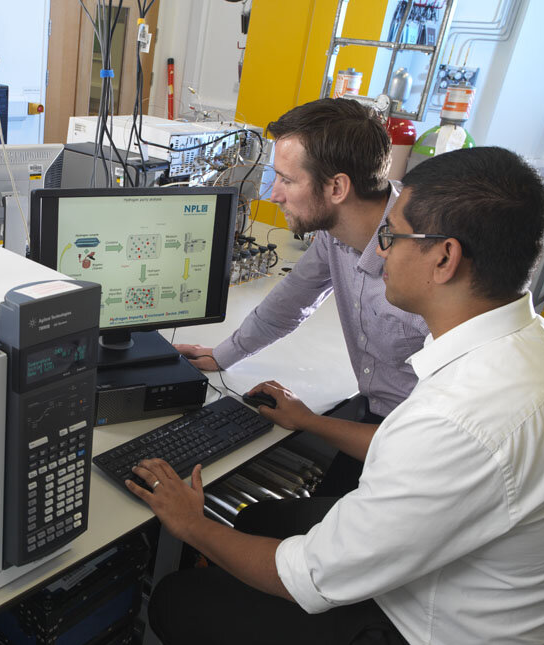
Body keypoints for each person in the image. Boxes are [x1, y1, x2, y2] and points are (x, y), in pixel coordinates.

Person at [128, 146, 544, 645]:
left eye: (394, 237)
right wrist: (311, 422)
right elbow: (418, 455)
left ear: (444, 257)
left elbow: (310, 577)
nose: (380, 252)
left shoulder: (461, 413)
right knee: (260, 520)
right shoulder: (530, 347)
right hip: (464, 596)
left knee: (176, 603)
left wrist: (192, 524)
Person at [177, 98, 428, 495]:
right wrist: (223, 355)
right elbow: (290, 301)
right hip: (376, 418)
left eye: (286, 180)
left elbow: (434, 443)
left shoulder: (422, 260)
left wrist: (310, 421)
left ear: (337, 187)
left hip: (420, 451)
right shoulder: (337, 234)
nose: (273, 194)